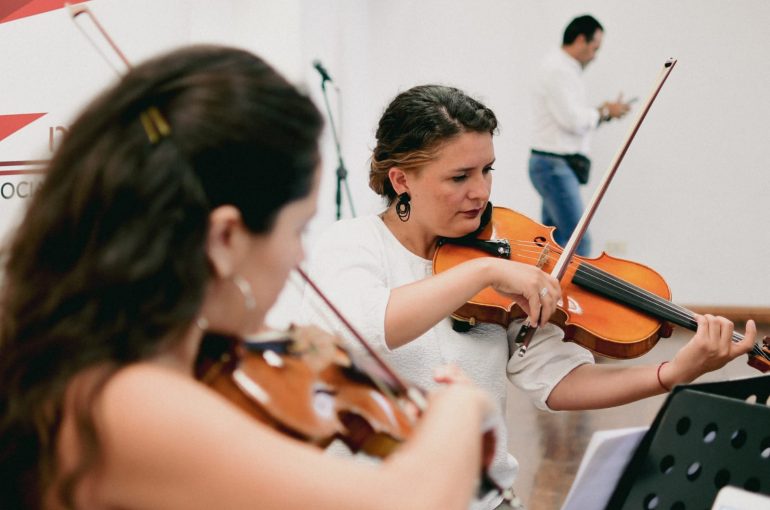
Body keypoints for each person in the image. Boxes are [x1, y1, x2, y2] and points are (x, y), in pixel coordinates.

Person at [0, 46, 498, 510]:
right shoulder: (123, 399)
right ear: (223, 240)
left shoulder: (100, 353)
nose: (301, 254)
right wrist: (458, 409)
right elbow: (407, 500)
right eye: (297, 228)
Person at [302, 84, 757, 510]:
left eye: (487, 170)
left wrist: (670, 372)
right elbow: (365, 327)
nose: (480, 192)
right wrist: (485, 270)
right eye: (459, 176)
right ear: (401, 180)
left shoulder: (501, 255)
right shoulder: (352, 245)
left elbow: (558, 381)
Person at [529, 14, 634, 256]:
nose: (595, 56)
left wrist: (604, 113)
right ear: (579, 40)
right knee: (578, 243)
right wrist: (605, 111)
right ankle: (574, 295)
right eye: (594, 48)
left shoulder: (563, 69)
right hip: (553, 165)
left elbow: (574, 118)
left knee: (554, 245)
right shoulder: (557, 70)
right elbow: (573, 121)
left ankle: (549, 294)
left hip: (553, 165)